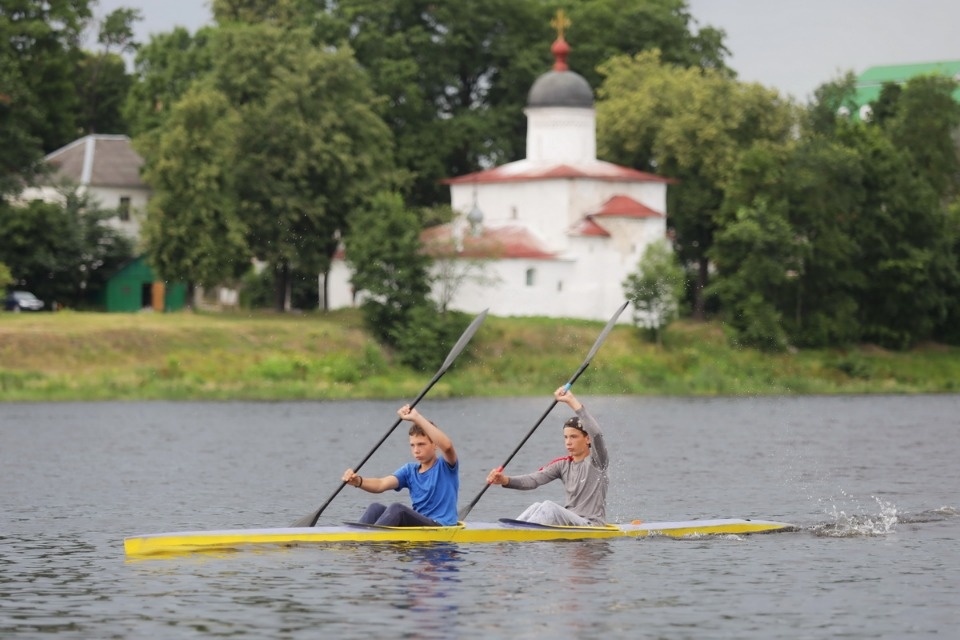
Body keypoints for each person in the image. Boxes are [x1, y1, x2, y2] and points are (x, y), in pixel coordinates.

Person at [486, 386, 609, 526]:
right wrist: (505, 480)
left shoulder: (598, 461)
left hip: (591, 524)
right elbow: (533, 480)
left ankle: (519, 534)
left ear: (587, 439)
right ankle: (508, 531)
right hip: (571, 522)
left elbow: (597, 434)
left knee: (549, 507)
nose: (568, 442)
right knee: (536, 506)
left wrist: (571, 401)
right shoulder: (562, 465)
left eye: (574, 437)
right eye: (566, 437)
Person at [342, 404, 459, 527]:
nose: (416, 450)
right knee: (375, 508)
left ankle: (371, 540)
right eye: (412, 445)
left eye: (421, 444)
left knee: (397, 509)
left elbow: (447, 446)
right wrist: (358, 481)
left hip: (441, 526)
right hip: (420, 526)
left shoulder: (446, 466)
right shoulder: (409, 471)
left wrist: (416, 417)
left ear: (435, 445)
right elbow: (380, 484)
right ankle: (353, 541)